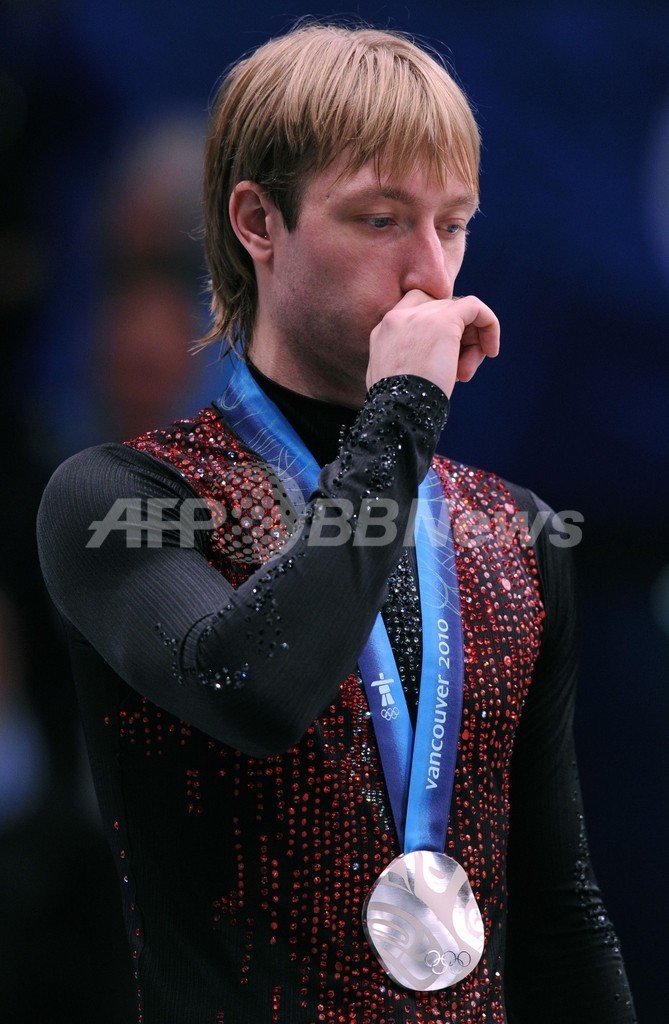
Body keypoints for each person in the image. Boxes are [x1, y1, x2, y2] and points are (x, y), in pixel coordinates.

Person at [37, 23, 636, 1024]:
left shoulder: (516, 534)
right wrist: (399, 406)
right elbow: (258, 685)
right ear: (257, 222)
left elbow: (561, 912)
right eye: (380, 220)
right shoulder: (125, 497)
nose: (432, 276)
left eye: (454, 224)